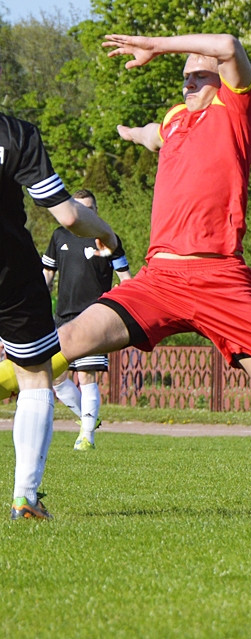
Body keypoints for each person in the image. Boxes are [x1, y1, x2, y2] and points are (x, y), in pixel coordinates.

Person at [0, 33, 251, 517]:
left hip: (222, 280)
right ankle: (23, 472)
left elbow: (228, 44)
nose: (189, 83)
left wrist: (158, 45)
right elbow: (159, 133)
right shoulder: (177, 120)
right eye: (185, 78)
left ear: (222, 80)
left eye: (199, 74)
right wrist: (133, 134)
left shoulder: (237, 111)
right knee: (61, 342)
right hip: (159, 281)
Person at [2, 62, 120, 520]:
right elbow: (68, 216)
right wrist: (107, 232)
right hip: (9, 272)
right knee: (34, 379)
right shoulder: (16, 135)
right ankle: (24, 499)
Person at [42, 189, 132, 452]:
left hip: (94, 317)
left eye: (90, 209)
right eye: (80, 208)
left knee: (86, 375)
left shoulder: (108, 239)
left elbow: (126, 279)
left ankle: (86, 437)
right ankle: (88, 419)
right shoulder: (59, 236)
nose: (85, 213)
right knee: (54, 376)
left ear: (96, 211)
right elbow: (47, 275)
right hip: (63, 318)